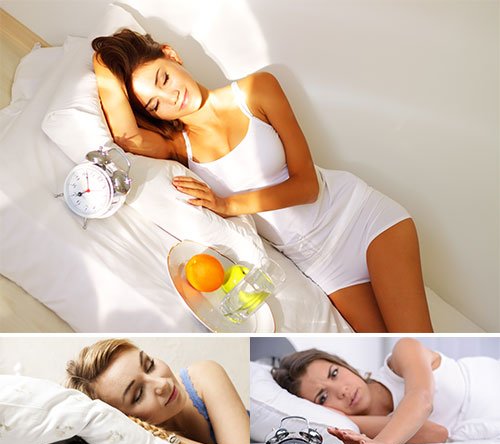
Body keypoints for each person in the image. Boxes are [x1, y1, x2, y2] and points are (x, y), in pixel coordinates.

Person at [90, 30, 433, 333]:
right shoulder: (181, 148)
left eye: (164, 79)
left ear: (171, 54)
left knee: (416, 349)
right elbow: (126, 138)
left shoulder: (256, 90)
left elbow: (307, 187)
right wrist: (103, 58)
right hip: (321, 265)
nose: (170, 97)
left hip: (361, 219)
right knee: (387, 359)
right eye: (155, 104)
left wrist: (228, 205)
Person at [272, 340, 500, 444]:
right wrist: (348, 419)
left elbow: (421, 399)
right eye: (323, 397)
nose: (341, 391)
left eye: (334, 373)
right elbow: (437, 434)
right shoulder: (366, 430)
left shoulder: (402, 352)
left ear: (344, 365)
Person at [66, 339, 249, 444]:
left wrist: (169, 438)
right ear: (125, 418)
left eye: (150, 365)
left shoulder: (203, 376)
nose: (162, 384)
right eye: (138, 394)